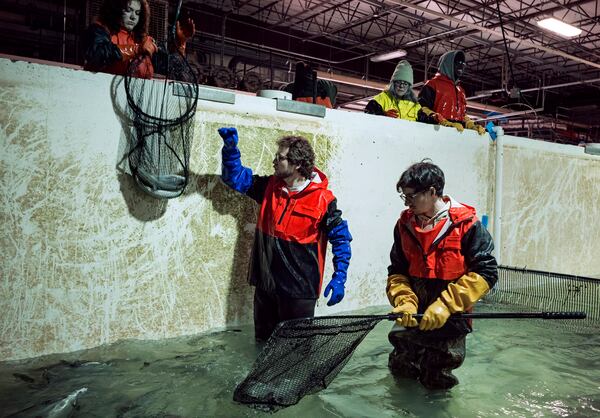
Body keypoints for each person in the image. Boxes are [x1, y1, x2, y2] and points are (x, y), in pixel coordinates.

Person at [218, 127, 352, 341]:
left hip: (299, 293)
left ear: (297, 164)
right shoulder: (270, 187)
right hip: (266, 286)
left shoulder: (323, 200)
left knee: (295, 352)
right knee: (262, 344)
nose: (274, 161)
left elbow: (341, 239)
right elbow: (234, 178)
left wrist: (340, 276)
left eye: (279, 158)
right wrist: (230, 149)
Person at [386, 159, 497, 389]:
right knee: (402, 367)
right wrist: (405, 302)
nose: (407, 203)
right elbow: (397, 270)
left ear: (432, 192)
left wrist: (445, 306)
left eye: (411, 196)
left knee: (437, 376)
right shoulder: (403, 225)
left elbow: (486, 273)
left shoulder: (468, 225)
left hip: (451, 319)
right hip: (412, 315)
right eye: (404, 197)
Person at [83, 0, 195, 78]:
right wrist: (136, 49)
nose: (133, 17)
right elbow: (96, 54)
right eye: (128, 10)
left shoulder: (142, 40)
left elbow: (169, 67)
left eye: (137, 13)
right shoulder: (100, 30)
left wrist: (181, 44)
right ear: (116, 9)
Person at [418, 50, 486, 135]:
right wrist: (441, 121)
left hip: (457, 135)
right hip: (436, 133)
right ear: (447, 64)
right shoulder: (432, 84)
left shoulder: (460, 90)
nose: (461, 66)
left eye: (463, 64)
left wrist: (471, 125)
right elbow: (421, 109)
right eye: (458, 63)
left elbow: (462, 115)